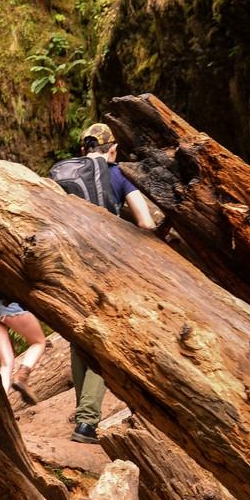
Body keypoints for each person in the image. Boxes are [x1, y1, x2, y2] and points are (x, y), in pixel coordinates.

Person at [61, 122, 157, 443]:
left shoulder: (68, 175)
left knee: (79, 338)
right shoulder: (118, 175)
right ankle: (87, 421)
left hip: (74, 267)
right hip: (108, 269)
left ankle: (82, 412)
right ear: (113, 149)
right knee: (106, 340)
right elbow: (145, 222)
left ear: (83, 151)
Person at [0, 279, 45, 401]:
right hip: (10, 303)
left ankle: (1, 404)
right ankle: (21, 377)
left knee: (6, 363)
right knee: (39, 342)